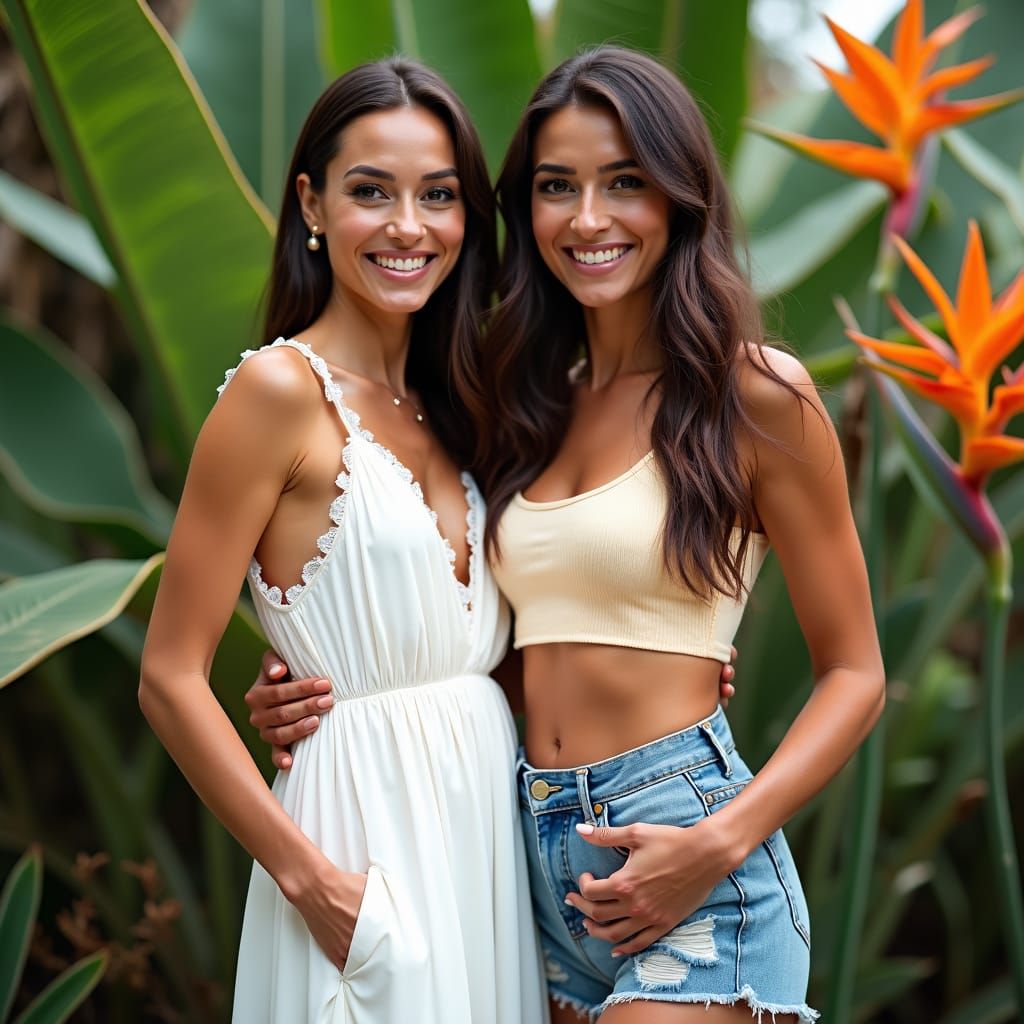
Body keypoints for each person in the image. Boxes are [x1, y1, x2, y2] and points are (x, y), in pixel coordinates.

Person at [248, 45, 884, 1023]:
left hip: (686, 849)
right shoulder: (520, 403)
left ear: (678, 197)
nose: (588, 218)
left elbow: (855, 673)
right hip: (521, 851)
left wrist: (719, 840)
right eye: (557, 187)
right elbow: (445, 598)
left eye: (623, 182)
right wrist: (308, 677)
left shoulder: (756, 397)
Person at [138, 59, 547, 1024]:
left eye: (438, 196)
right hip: (358, 853)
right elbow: (168, 675)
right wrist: (314, 886)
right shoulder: (278, 393)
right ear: (312, 205)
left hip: (481, 843)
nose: (410, 226)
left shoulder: (466, 403)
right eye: (372, 192)